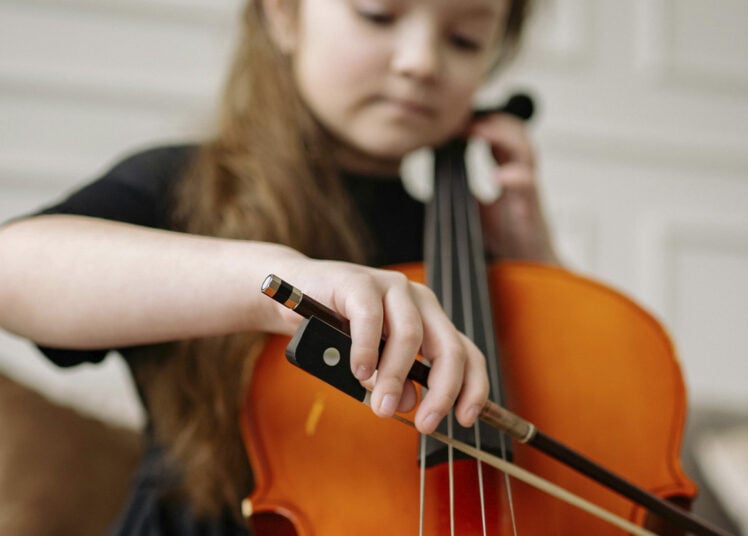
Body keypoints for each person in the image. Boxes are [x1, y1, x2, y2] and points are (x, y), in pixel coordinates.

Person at [0, 0, 557, 533]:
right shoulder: (188, 189)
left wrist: (540, 265)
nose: (422, 62)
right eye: (378, 14)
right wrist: (275, 282)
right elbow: (14, 270)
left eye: (465, 39)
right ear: (284, 13)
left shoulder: (475, 253)